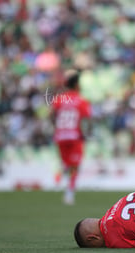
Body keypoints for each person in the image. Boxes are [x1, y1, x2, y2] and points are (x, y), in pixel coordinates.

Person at [52, 70, 91, 205]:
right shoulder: (81, 100)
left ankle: (57, 180)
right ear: (76, 85)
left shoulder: (59, 99)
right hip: (74, 136)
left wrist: (57, 129)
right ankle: (69, 193)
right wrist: (87, 133)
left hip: (60, 135)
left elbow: (53, 115)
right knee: (75, 165)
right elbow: (86, 119)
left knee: (66, 163)